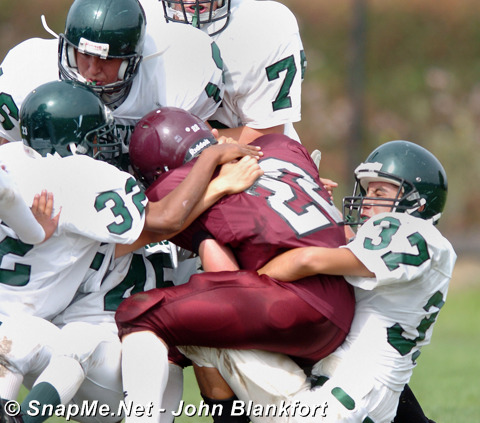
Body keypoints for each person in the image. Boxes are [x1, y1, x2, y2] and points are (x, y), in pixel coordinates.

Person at [0, 81, 262, 423]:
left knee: (138, 341)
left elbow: (165, 224)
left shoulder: (18, 166)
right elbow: (167, 221)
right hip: (88, 356)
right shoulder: (114, 207)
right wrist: (219, 179)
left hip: (147, 369)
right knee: (47, 337)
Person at [180, 140, 456, 423]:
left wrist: (249, 283)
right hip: (359, 392)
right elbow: (341, 246)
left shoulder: (412, 233)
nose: (367, 200)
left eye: (380, 192)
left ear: (417, 204)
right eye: (367, 191)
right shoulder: (419, 246)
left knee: (203, 335)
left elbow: (306, 260)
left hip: (343, 402)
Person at [112, 107, 355, 423]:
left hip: (295, 309)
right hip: (345, 305)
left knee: (139, 314)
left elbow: (145, 235)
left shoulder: (176, 183)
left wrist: (213, 181)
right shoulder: (282, 147)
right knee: (203, 337)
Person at [0, 0, 224, 154]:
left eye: (106, 59)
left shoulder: (168, 75)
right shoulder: (29, 73)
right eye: (84, 55)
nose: (92, 70)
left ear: (134, 59)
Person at [141, 0, 306, 144]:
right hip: (163, 147)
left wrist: (194, 139)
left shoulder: (264, 25)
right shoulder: (138, 16)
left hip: (256, 153)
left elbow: (269, 134)